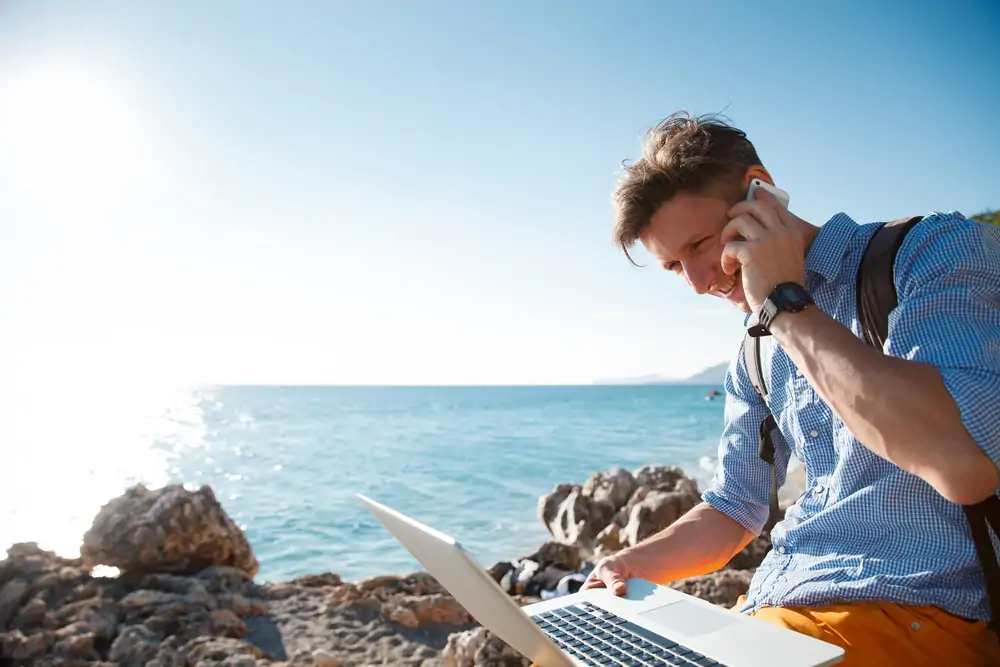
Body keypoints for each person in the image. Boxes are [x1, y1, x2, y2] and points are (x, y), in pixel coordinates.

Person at [582, 111, 1000, 666]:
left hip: (919, 613)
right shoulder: (755, 347)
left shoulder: (931, 251)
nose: (701, 283)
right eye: (674, 267)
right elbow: (736, 506)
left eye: (701, 244)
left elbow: (963, 464)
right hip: (776, 616)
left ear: (761, 191)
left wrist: (785, 302)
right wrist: (630, 563)